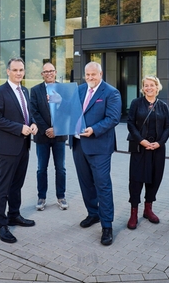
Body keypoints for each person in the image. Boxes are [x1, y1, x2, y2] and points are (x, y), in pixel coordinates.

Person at [69, 62, 121, 245]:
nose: (90, 78)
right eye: (87, 75)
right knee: (86, 183)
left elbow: (113, 118)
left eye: (93, 74)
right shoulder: (79, 90)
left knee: (102, 185)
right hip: (78, 144)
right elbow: (69, 111)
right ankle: (93, 213)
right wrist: (56, 103)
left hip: (99, 146)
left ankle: (107, 226)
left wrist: (94, 129)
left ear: (101, 73)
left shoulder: (111, 92)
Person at [0, 58, 39, 243]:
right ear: (8, 71)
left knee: (16, 185)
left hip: (24, 145)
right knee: (4, 186)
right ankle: (0, 225)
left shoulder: (24, 91)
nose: (19, 73)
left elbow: (28, 113)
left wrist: (33, 123)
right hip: (8, 147)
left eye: (22, 70)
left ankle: (14, 215)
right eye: (15, 70)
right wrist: (19, 128)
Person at [125, 76, 169, 230]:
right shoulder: (136, 103)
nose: (149, 88)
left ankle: (148, 209)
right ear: (143, 88)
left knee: (154, 179)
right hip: (140, 148)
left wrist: (159, 143)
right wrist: (141, 140)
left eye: (152, 85)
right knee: (136, 180)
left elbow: (168, 126)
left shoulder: (163, 106)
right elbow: (130, 123)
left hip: (157, 149)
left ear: (157, 87)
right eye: (146, 85)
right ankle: (133, 212)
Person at [29, 62, 68, 211]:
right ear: (42, 74)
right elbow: (34, 112)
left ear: (56, 72)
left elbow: (68, 110)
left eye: (51, 71)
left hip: (59, 136)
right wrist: (46, 129)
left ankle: (61, 197)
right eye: (46, 71)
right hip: (42, 136)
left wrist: (56, 129)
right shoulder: (35, 90)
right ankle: (41, 197)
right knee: (41, 169)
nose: (49, 73)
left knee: (61, 168)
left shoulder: (63, 90)